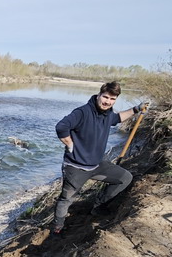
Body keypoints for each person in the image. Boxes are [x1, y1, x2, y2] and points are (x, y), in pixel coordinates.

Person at [52, 81, 148, 234]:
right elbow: (61, 127)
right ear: (99, 95)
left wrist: (136, 109)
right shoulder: (82, 112)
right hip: (76, 167)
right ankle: (58, 227)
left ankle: (98, 206)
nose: (108, 102)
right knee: (66, 199)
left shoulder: (107, 114)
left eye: (112, 99)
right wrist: (70, 145)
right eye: (106, 97)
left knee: (125, 178)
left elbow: (117, 118)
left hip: (96, 165)